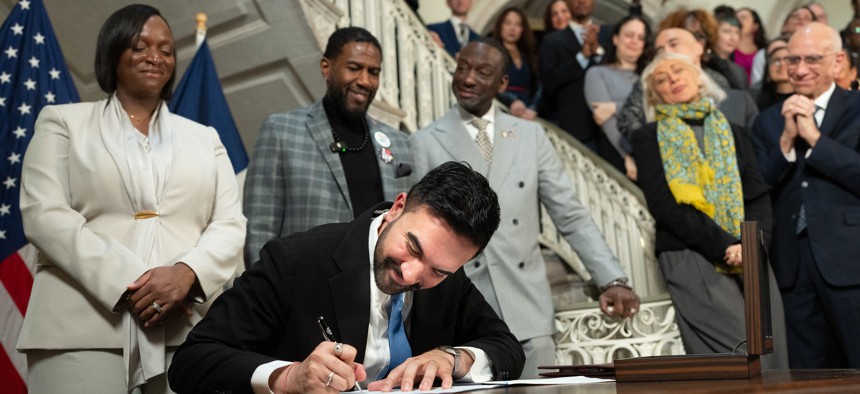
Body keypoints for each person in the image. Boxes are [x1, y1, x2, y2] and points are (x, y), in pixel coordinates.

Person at [16, 4, 246, 392]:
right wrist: (134, 283)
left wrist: (185, 275)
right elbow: (44, 214)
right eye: (140, 46)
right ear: (112, 52)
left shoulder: (205, 139)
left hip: (187, 327)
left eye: (166, 49)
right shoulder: (63, 122)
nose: (155, 57)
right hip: (81, 327)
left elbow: (229, 225)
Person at [168, 162, 525, 393]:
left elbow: (506, 347)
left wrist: (453, 357)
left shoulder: (450, 278)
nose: (411, 274)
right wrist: (288, 377)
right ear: (398, 208)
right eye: (412, 248)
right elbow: (192, 362)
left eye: (438, 271)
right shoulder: (295, 260)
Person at [412, 39, 640, 379]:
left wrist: (611, 278)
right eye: (462, 68)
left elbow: (569, 213)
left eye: (482, 72)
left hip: (528, 309)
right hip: (462, 313)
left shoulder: (532, 136)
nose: (468, 78)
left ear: (502, 83)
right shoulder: (425, 141)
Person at [631, 52, 787, 369]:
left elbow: (756, 195)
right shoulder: (647, 137)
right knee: (738, 355)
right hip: (691, 251)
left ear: (698, 77)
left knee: (774, 354)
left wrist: (752, 244)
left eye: (679, 70)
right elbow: (665, 206)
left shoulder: (734, 131)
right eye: (661, 79)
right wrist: (725, 244)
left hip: (749, 252)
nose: (673, 79)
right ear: (655, 95)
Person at [243, 27, 413, 267]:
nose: (364, 81)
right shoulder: (280, 130)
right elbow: (259, 230)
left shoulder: (399, 142)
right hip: (301, 282)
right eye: (354, 68)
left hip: (375, 284)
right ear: (326, 67)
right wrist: (266, 286)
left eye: (373, 72)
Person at [751, 22, 860, 368]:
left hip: (850, 260)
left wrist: (815, 139)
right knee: (807, 372)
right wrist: (785, 142)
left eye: (812, 59)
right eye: (792, 59)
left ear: (837, 61)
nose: (799, 69)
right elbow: (756, 188)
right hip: (791, 265)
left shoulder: (857, 108)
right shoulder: (767, 121)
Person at [617, 28, 758, 142]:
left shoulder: (721, 82)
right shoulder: (650, 82)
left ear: (698, 47)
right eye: (660, 50)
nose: (667, 52)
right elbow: (628, 123)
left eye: (673, 44)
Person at [584, 15, 651, 179]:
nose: (634, 41)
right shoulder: (597, 73)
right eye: (629, 35)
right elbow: (605, 119)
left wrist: (614, 107)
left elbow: (655, 109)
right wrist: (627, 154)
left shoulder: (651, 77)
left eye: (640, 38)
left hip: (651, 146)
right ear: (615, 39)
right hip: (617, 152)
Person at [540, 0, 613, 149]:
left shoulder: (609, 34)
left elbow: (617, 71)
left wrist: (597, 50)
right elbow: (549, 83)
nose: (581, 1)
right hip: (574, 131)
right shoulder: (552, 41)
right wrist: (582, 57)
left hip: (610, 130)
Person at [493, 7, 542, 120]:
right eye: (508, 23)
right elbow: (490, 84)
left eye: (518, 24)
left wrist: (533, 108)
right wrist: (512, 101)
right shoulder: (492, 53)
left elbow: (539, 86)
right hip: (502, 109)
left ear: (522, 29)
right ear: (500, 26)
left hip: (528, 113)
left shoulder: (529, 55)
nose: (512, 28)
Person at [750, 5, 817, 87]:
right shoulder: (765, 53)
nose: (801, 19)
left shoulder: (819, 53)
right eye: (796, 16)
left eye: (806, 18)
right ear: (784, 25)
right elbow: (757, 86)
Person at [753, 36, 795, 110]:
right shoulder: (754, 100)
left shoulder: (809, 98)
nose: (782, 64)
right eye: (776, 61)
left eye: (787, 59)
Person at [712, 8, 748, 87]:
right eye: (727, 31)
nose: (733, 38)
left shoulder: (740, 71)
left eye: (737, 33)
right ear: (713, 32)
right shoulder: (703, 63)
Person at [735, 7, 767, 85]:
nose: (738, 21)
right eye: (735, 18)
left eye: (743, 17)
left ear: (755, 26)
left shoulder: (764, 51)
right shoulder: (728, 48)